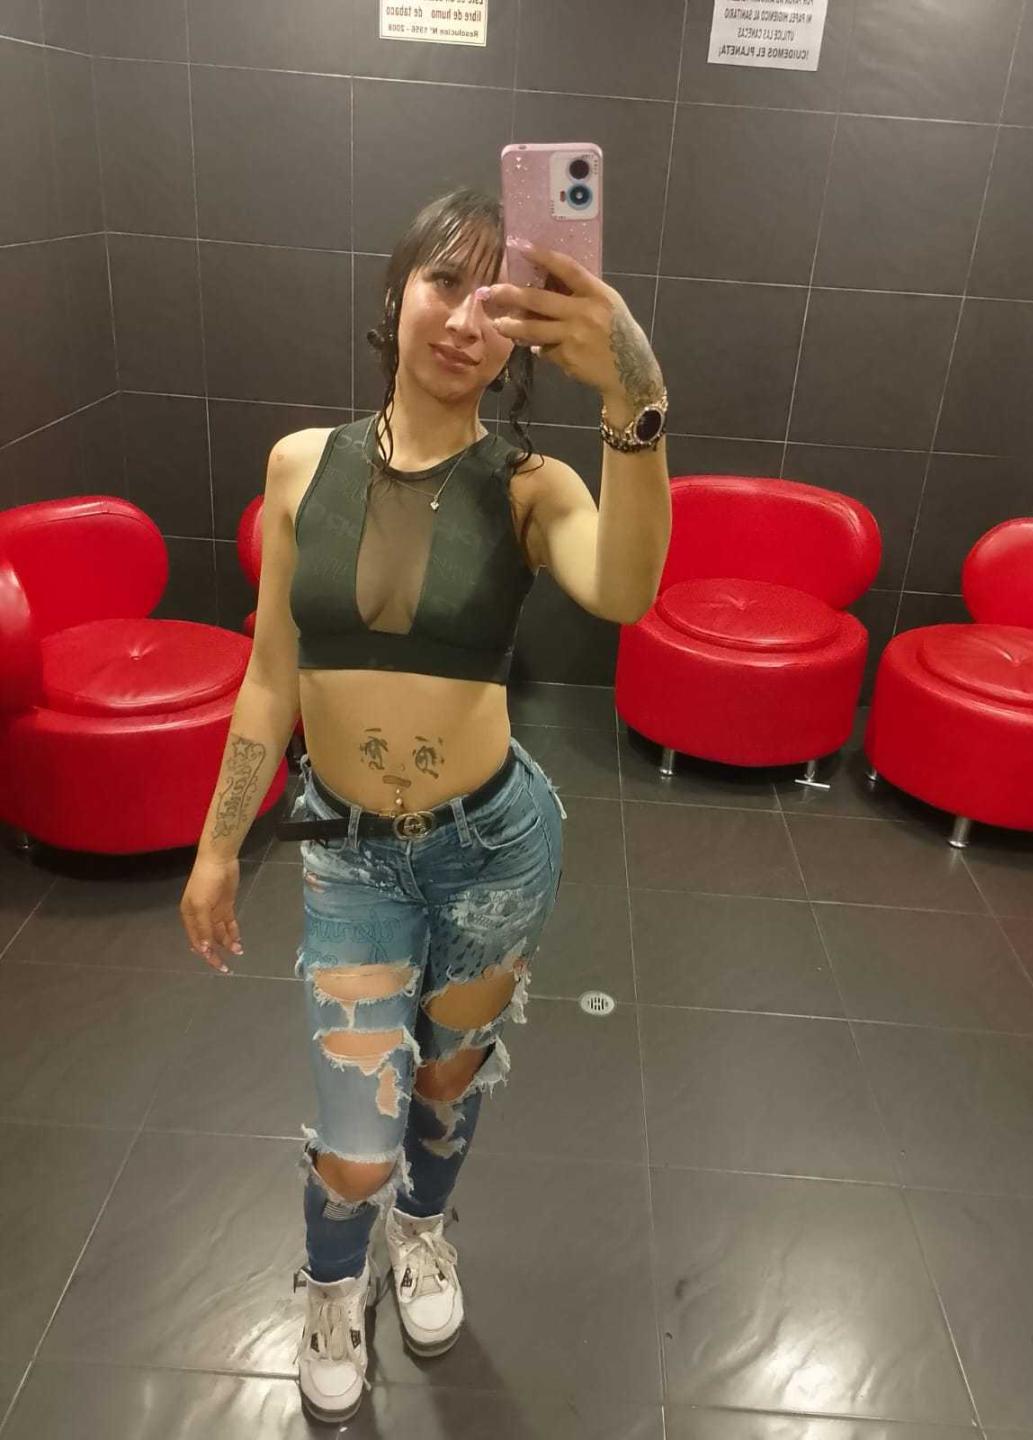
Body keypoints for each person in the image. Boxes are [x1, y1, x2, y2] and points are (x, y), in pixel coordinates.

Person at [179, 184, 670, 1424]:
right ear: (395, 291)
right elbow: (270, 676)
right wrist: (218, 845)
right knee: (356, 1134)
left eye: (496, 304)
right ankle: (332, 1282)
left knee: (449, 1083)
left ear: (518, 342)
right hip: (350, 855)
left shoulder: (531, 484)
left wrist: (634, 395)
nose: (463, 320)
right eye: (445, 283)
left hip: (492, 847)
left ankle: (426, 1230)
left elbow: (625, 591)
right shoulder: (302, 466)